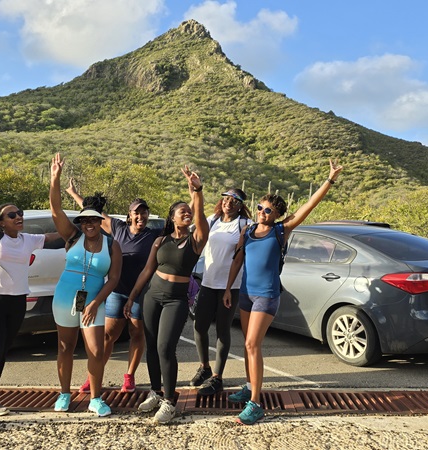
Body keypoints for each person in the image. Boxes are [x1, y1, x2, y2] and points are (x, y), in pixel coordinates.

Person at [223, 159, 343, 425]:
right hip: (246, 293)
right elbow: (237, 260)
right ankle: (249, 387)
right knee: (247, 344)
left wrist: (330, 180)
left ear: (276, 215)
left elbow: (308, 206)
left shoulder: (281, 230)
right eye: (259, 208)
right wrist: (229, 289)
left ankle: (256, 404)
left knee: (253, 344)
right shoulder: (248, 230)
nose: (262, 212)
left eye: (268, 210)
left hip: (267, 295)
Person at [0, 146, 61, 431]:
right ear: (0, 222)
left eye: (19, 213)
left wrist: (86, 227)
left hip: (19, 302)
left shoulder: (28, 239)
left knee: (4, 353)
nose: (18, 217)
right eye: (12, 215)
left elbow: (57, 236)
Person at [125, 166, 208, 424]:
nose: (187, 213)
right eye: (181, 211)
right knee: (151, 346)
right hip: (152, 295)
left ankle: (170, 402)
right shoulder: (160, 241)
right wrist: (132, 297)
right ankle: (156, 392)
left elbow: (201, 217)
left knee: (165, 347)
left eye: (188, 211)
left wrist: (196, 191)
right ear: (172, 218)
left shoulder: (196, 239)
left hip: (176, 300)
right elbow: (147, 271)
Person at [66, 181, 161, 394]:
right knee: (108, 336)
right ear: (129, 215)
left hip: (141, 294)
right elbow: (93, 212)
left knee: (136, 334)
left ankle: (129, 377)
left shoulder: (154, 234)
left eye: (144, 212)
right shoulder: (118, 228)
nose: (140, 216)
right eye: (136, 213)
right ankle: (94, 376)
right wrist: (73, 193)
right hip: (116, 291)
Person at [48, 153, 123, 417]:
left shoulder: (112, 245)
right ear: (81, 222)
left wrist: (95, 302)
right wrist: (55, 178)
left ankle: (95, 398)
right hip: (65, 297)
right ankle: (64, 394)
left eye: (93, 219)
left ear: (100, 220)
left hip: (94, 300)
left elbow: (114, 279)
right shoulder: (72, 236)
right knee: (65, 347)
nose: (89, 224)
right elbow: (56, 210)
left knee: (96, 350)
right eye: (85, 220)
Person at [191, 188, 252, 396]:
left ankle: (217, 378)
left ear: (241, 206)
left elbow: (243, 256)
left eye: (235, 201)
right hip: (208, 282)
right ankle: (205, 367)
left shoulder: (245, 224)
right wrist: (194, 193)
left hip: (230, 287)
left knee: (222, 330)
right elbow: (194, 227)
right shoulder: (213, 220)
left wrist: (228, 289)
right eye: (226, 199)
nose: (229, 203)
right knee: (199, 326)